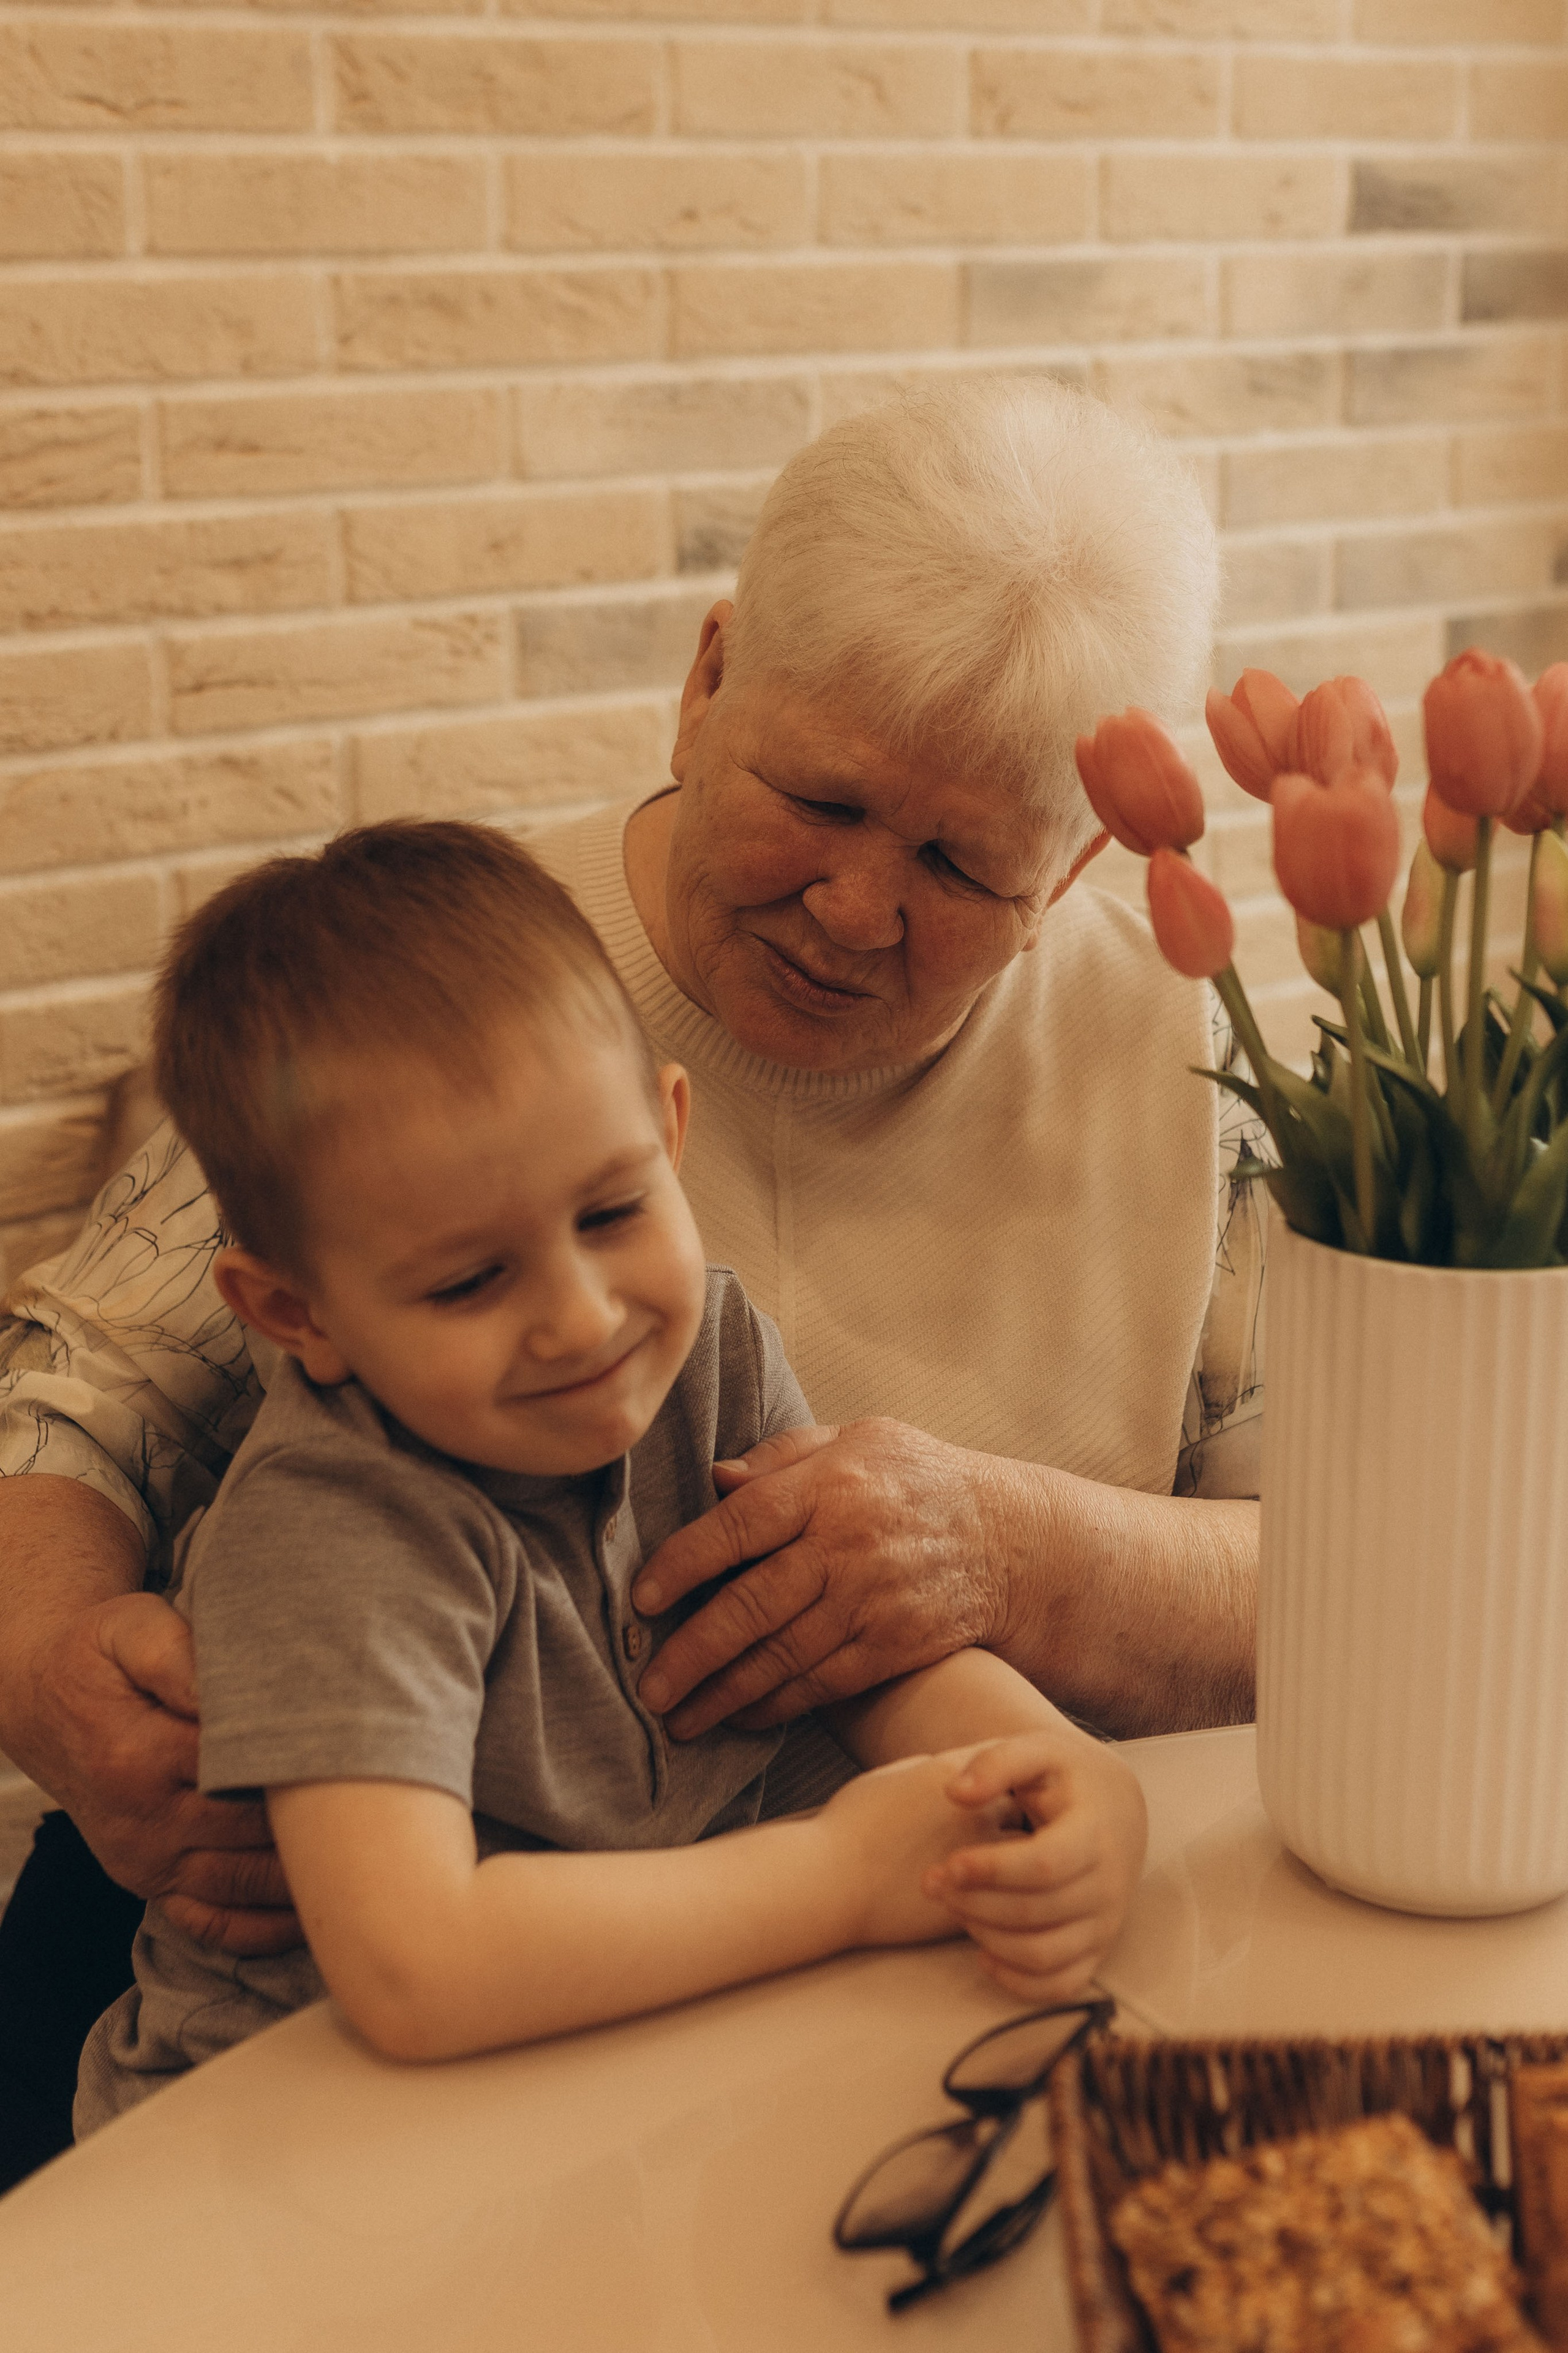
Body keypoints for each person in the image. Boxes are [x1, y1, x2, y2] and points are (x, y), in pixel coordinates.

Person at [0, 377, 1261, 2180]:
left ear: (1069, 868)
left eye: (961, 864)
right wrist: (50, 1656)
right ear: (708, 671)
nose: (851, 908)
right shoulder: (454, 1006)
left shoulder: (1174, 1062)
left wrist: (1053, 1731)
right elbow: (73, 1394)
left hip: (781, 2005)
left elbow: (1353, 1566)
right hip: (382, 2080)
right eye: (814, 799)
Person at [72, 820, 1147, 2135]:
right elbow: (421, 1965)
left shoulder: (706, 1352)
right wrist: (839, 1875)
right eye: (470, 1279)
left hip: (632, 2067)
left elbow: (860, 1658)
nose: (582, 1321)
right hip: (292, 2140)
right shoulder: (332, 1527)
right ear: (295, 1313)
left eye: (610, 1213)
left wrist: (1052, 1774)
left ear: (668, 1128)